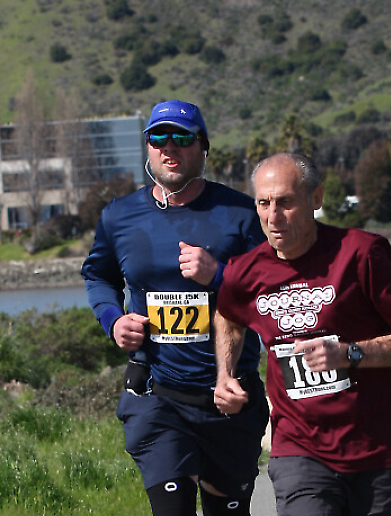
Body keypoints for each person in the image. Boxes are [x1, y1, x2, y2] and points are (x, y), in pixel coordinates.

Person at [213, 152, 391, 516]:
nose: (273, 217)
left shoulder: (362, 253)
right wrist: (225, 374)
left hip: (380, 450)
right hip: (300, 449)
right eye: (264, 204)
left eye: (285, 202)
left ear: (315, 198)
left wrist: (350, 354)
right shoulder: (245, 271)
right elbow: (228, 317)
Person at [81, 100, 269, 516]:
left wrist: (218, 275)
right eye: (158, 137)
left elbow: (269, 291)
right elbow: (98, 277)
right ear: (148, 147)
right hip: (157, 396)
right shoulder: (119, 216)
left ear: (203, 147)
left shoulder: (241, 214)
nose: (169, 146)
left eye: (182, 137)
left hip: (228, 398)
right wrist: (113, 321)